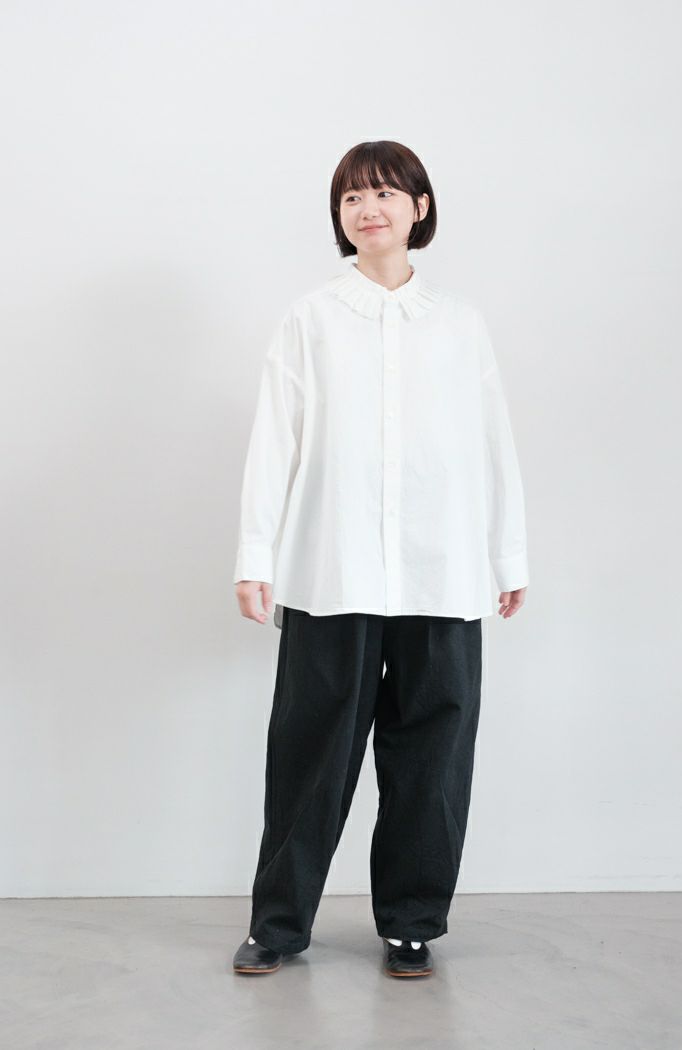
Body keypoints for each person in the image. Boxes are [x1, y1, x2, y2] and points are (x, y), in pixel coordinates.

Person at [231, 140, 529, 978]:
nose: (369, 209)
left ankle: (411, 924)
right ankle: (278, 925)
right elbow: (274, 440)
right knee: (309, 755)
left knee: (433, 758)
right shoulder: (312, 318)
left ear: (419, 208)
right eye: (353, 198)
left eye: (386, 193)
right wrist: (255, 555)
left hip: (443, 570)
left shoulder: (459, 323)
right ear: (340, 217)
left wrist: (507, 557)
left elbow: (492, 443)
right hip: (334, 567)